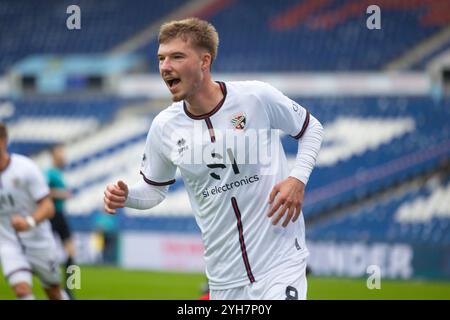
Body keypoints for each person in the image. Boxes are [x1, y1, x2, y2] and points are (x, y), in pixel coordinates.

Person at [104, 17, 323, 300]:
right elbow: (155, 190)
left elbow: (311, 128)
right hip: (223, 280)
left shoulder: (255, 97)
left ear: (204, 61)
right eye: (161, 58)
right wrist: (127, 196)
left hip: (279, 265)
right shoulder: (164, 127)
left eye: (177, 57)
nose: (165, 66)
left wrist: (297, 179)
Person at [0, 123, 68, 300]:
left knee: (53, 291)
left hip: (38, 240)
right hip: (9, 243)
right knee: (21, 290)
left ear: (4, 141)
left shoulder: (25, 168)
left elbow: (48, 206)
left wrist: (28, 222)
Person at [46, 144, 76, 299]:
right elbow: (43, 192)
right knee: (48, 253)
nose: (63, 154)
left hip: (60, 214)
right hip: (52, 215)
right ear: (53, 154)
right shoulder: (49, 173)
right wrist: (62, 193)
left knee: (71, 251)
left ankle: (71, 288)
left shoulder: (58, 173)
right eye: (60, 151)